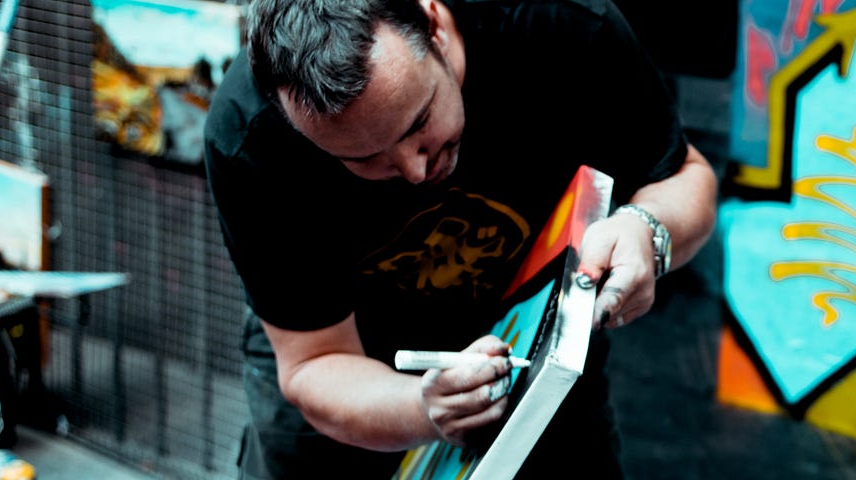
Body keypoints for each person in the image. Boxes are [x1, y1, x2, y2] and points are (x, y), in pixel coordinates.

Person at [201, 0, 717, 477]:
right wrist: (422, 408)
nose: (414, 169)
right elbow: (313, 362)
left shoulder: (560, 25)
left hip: (537, 340)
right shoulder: (251, 134)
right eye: (363, 158)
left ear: (434, 26)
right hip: (356, 378)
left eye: (418, 121)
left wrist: (647, 228)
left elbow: (685, 177)